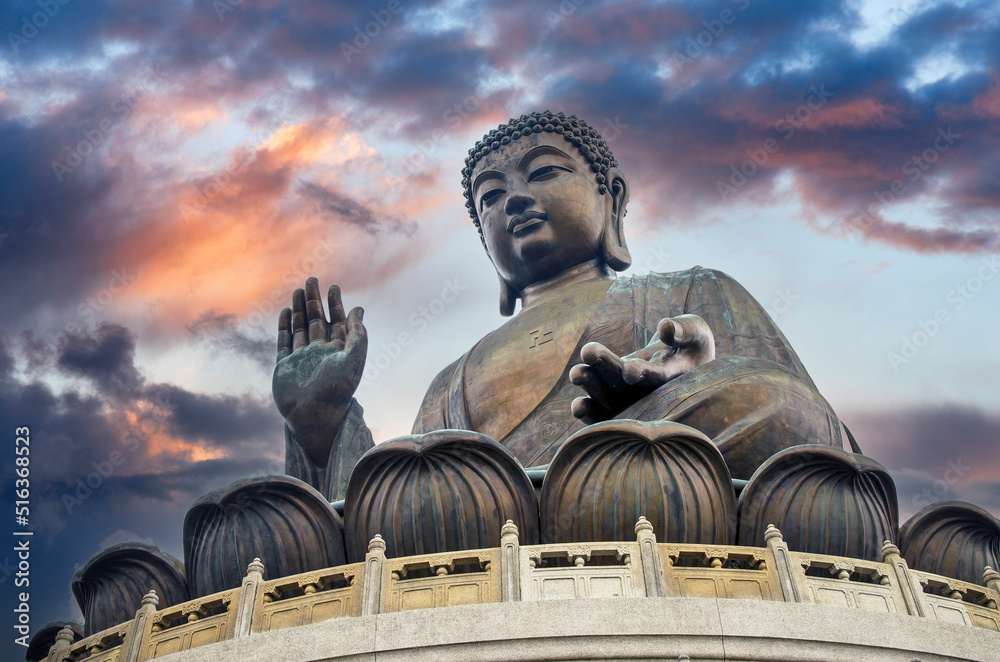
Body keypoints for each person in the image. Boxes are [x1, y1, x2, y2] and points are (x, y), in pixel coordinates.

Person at [272, 111, 853, 501]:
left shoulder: (693, 290)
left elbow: (815, 436)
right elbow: (393, 508)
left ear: (612, 199)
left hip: (652, 494)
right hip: (492, 532)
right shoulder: (451, 382)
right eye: (491, 196)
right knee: (408, 494)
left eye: (544, 171)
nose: (516, 199)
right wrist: (321, 425)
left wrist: (692, 383)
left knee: (768, 399)